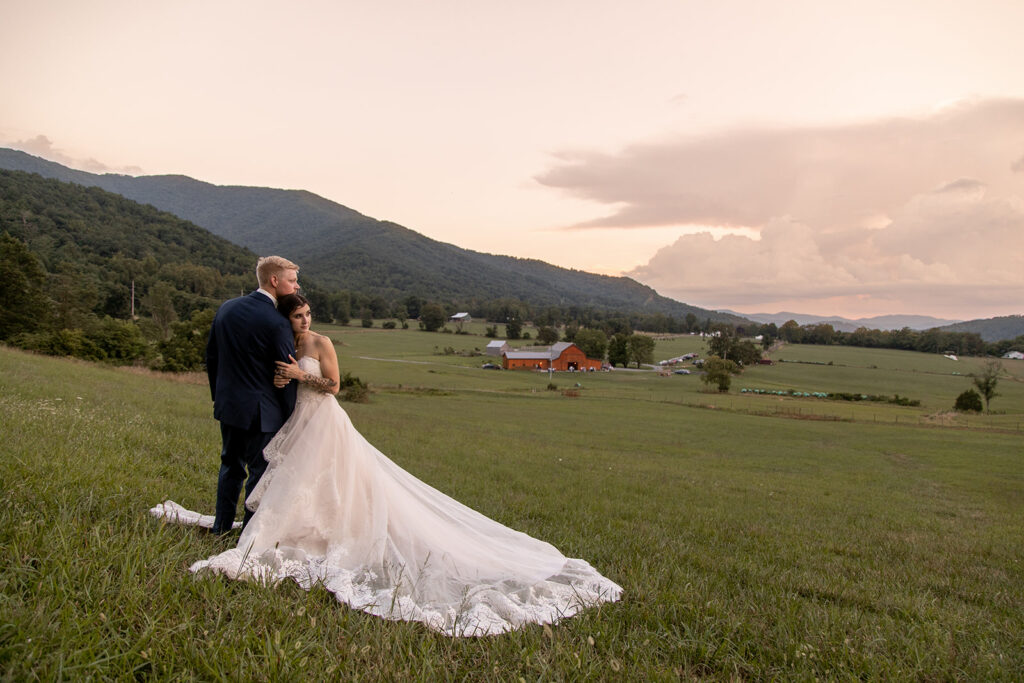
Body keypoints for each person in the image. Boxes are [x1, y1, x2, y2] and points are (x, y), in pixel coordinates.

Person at [186, 293, 622, 636]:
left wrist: (300, 376)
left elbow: (334, 386)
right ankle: (301, 528)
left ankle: (332, 531)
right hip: (294, 420)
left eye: (308, 314)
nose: (306, 321)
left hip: (323, 419)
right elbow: (276, 376)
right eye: (298, 316)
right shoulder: (285, 341)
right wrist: (282, 377)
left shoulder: (321, 343)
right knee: (300, 481)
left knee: (333, 478)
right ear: (286, 319)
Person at [205, 256, 300, 534]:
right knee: (259, 475)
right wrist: (292, 414)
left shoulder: (227, 308)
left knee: (230, 466)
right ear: (274, 281)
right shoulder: (278, 322)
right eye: (292, 281)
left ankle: (220, 528)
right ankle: (247, 535)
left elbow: (212, 356)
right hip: (263, 412)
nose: (296, 287)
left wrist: (218, 396)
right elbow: (286, 373)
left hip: (229, 405)